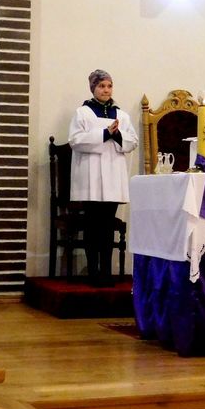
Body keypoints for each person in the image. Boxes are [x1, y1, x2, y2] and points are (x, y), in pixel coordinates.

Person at [68, 69, 138, 287]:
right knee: (92, 227)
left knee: (107, 228)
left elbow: (132, 141)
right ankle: (93, 272)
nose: (106, 90)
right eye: (101, 86)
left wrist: (117, 134)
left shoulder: (121, 115)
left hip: (113, 176)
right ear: (93, 88)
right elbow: (75, 140)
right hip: (90, 178)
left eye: (109, 86)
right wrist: (105, 133)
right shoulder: (83, 113)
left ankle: (106, 272)